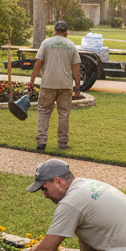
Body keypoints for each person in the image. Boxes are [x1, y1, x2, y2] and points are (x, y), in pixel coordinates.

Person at [27, 20, 81, 152]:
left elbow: (38, 63)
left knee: (44, 112)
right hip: (65, 85)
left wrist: (32, 81)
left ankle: (41, 141)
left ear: (54, 31)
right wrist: (77, 86)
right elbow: (76, 68)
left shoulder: (46, 43)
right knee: (64, 113)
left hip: (48, 84)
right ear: (66, 32)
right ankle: (62, 142)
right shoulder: (71, 45)